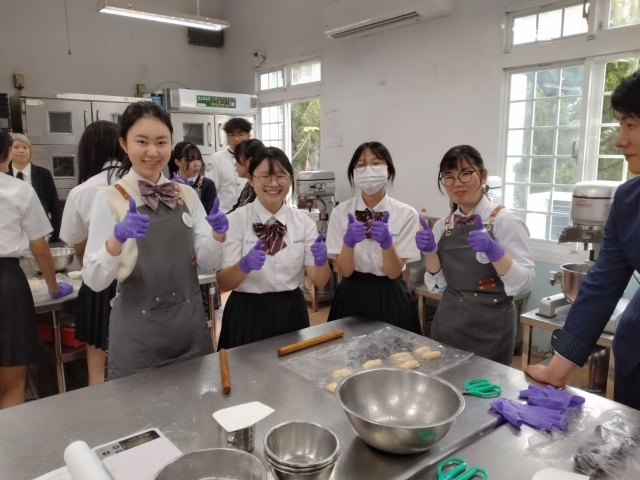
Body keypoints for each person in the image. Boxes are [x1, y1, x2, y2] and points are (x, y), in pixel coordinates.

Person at [81, 102, 229, 380]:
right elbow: (94, 280)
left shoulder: (186, 194)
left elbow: (206, 263)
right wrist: (116, 239)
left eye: (161, 142)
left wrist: (218, 236)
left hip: (189, 326)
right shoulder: (109, 198)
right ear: (124, 144)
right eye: (142, 142)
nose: (152, 152)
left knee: (195, 400)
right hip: (136, 335)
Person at [526, 71, 640, 410]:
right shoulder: (628, 201)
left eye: (631, 125)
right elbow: (602, 285)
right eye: (619, 125)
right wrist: (557, 368)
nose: (619, 141)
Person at [416, 145, 534, 366]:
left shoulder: (505, 221)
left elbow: (525, 284)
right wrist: (430, 253)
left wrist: (495, 252)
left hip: (490, 328)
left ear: (483, 175)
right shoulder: (443, 226)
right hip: (448, 322)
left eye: (465, 173)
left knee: (484, 385)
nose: (457, 183)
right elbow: (438, 286)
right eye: (449, 177)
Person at [216, 146, 330, 349]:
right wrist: (244, 265)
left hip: (291, 311)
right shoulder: (236, 220)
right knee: (244, 368)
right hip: (247, 312)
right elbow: (224, 281)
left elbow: (319, 280)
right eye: (265, 177)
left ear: (290, 179)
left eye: (280, 176)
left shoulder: (303, 223)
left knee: (292, 367)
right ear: (251, 180)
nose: (274, 184)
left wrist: (321, 262)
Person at [0, 129, 73, 409]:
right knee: (12, 381)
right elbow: (40, 248)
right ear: (6, 154)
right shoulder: (18, 190)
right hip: (7, 283)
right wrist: (53, 287)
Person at [326, 141, 421, 334]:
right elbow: (344, 270)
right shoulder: (340, 212)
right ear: (354, 173)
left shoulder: (406, 214)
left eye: (376, 163)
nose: (368, 170)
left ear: (388, 171)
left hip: (391, 295)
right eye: (361, 165)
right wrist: (348, 243)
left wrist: (387, 244)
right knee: (346, 350)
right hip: (351, 294)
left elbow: (394, 272)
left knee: (395, 350)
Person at [59, 121, 124, 385]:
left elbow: (78, 248)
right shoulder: (138, 183)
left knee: (97, 366)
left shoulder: (81, 192)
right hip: (139, 281)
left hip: (99, 285)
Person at [7, 133, 63, 242]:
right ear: (8, 151)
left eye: (25, 147)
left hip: (40, 230)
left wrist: (56, 235)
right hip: (12, 232)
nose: (21, 151)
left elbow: (54, 205)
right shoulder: (3, 174)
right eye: (16, 147)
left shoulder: (43, 174)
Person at [207, 118, 252, 213]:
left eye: (240, 134)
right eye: (232, 135)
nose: (236, 139)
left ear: (249, 136)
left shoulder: (256, 157)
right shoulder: (216, 158)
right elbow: (210, 190)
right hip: (224, 213)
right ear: (227, 136)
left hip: (249, 213)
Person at [169, 141, 217, 214]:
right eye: (190, 160)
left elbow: (210, 213)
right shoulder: (169, 185)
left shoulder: (208, 184)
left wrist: (190, 194)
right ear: (177, 162)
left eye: (198, 159)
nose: (197, 164)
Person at [230, 139, 263, 213]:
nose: (235, 164)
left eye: (238, 160)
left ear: (250, 161)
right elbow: (236, 209)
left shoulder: (262, 190)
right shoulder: (248, 186)